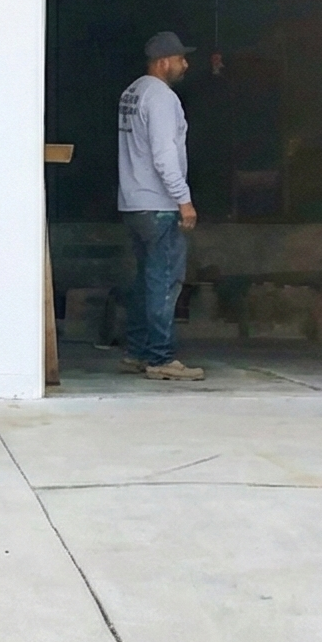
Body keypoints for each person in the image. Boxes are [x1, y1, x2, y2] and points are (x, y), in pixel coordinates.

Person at [116, 31, 203, 381]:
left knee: (145, 281)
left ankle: (138, 352)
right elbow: (164, 154)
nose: (185, 64)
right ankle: (161, 357)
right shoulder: (162, 98)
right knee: (165, 281)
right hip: (159, 203)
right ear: (163, 62)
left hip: (133, 202)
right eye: (181, 59)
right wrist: (183, 199)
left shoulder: (131, 93)